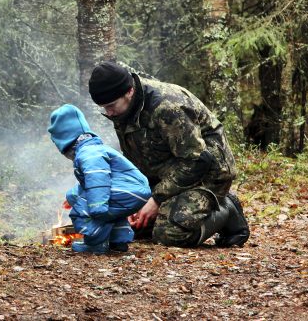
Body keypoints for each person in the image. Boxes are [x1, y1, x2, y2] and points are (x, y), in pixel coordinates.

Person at [87, 61, 250, 248]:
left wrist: (157, 199)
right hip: (168, 174)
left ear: (129, 91)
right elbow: (136, 157)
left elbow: (197, 160)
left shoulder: (168, 107)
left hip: (208, 173)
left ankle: (227, 208)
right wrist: (137, 197)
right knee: (132, 229)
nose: (109, 112)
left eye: (111, 105)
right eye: (104, 108)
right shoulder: (122, 110)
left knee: (169, 234)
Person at [48, 104, 151, 253]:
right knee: (112, 213)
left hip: (127, 189)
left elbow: (97, 179)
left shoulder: (88, 153)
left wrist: (96, 207)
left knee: (85, 209)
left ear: (65, 142)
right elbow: (94, 181)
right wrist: (73, 196)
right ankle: (118, 242)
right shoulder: (94, 148)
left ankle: (94, 244)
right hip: (132, 189)